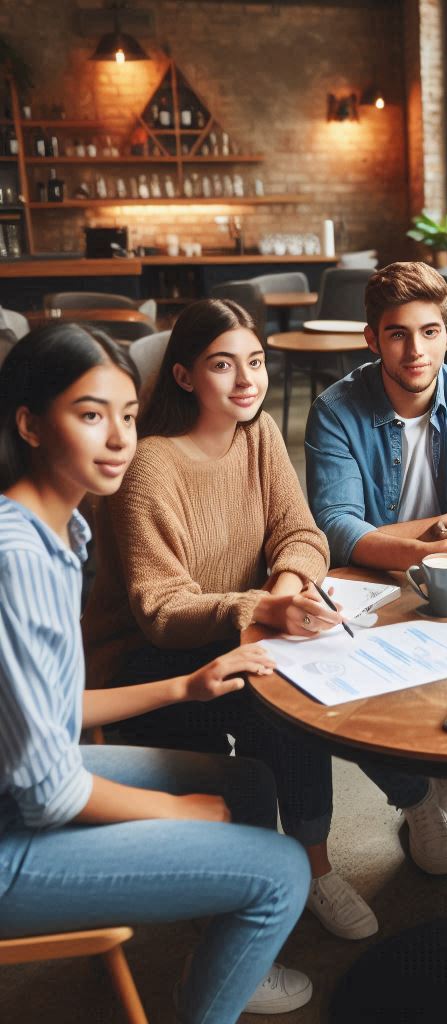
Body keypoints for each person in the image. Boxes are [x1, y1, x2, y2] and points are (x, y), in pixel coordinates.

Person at [0, 324, 314, 1020]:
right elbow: (48, 791)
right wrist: (176, 811)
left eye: (127, 416)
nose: (118, 439)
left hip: (21, 788)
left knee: (251, 781)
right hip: (11, 837)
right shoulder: (16, 556)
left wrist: (184, 685)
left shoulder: (58, 532)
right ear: (29, 424)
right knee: (286, 870)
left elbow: (46, 714)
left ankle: (221, 949)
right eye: (90, 415)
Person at [81, 299, 378, 943]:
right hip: (144, 659)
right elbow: (160, 610)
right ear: (185, 376)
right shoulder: (150, 466)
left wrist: (286, 587)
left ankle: (313, 866)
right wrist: (263, 609)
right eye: (224, 365)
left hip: (239, 628)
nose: (247, 380)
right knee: (260, 710)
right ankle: (229, 907)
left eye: (255, 362)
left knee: (294, 697)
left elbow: (299, 532)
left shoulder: (260, 433)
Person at [305, 260, 447, 874]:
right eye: (397, 333)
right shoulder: (335, 409)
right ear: (372, 339)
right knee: (334, 693)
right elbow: (339, 528)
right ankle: (418, 797)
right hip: (372, 589)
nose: (415, 349)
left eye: (428, 332)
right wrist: (427, 543)